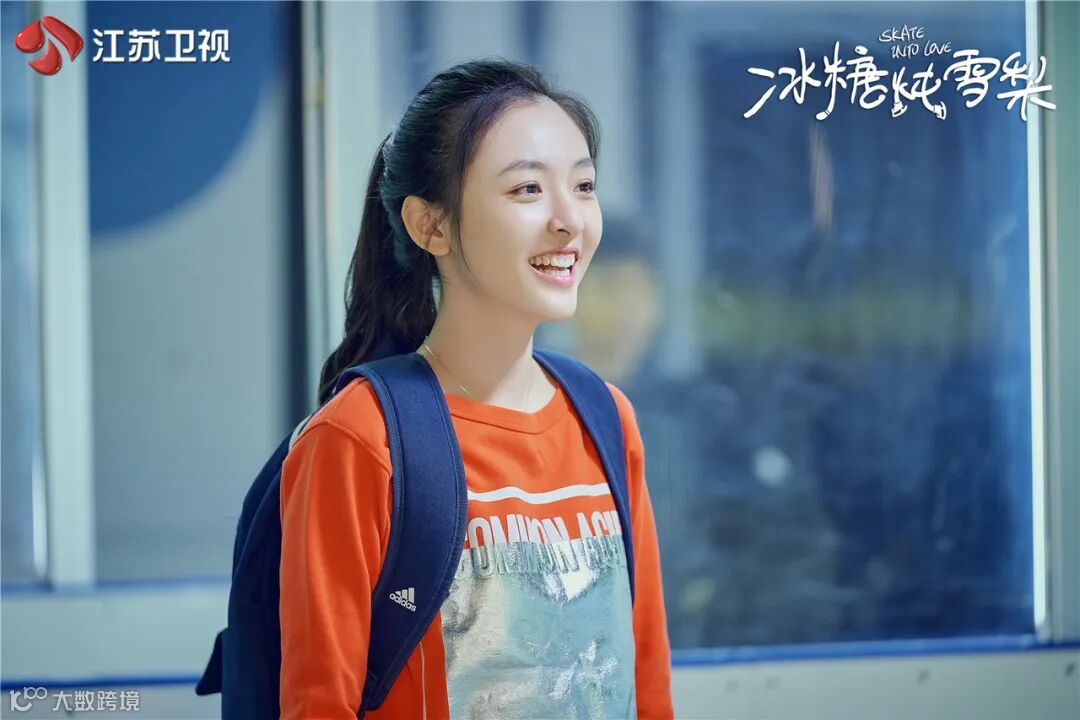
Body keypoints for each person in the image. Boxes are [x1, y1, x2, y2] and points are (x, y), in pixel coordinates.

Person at [278, 57, 674, 720]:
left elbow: (647, 678)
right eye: (527, 189)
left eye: (583, 186)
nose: (570, 220)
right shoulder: (359, 440)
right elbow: (320, 704)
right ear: (430, 225)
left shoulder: (606, 417)